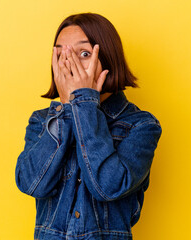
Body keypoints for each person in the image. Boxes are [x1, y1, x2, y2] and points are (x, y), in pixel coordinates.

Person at [15, 12, 162, 240]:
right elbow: (32, 184)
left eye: (84, 53)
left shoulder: (141, 125)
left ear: (108, 59)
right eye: (61, 54)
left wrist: (83, 102)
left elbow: (107, 187)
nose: (69, 63)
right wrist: (65, 110)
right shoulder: (41, 121)